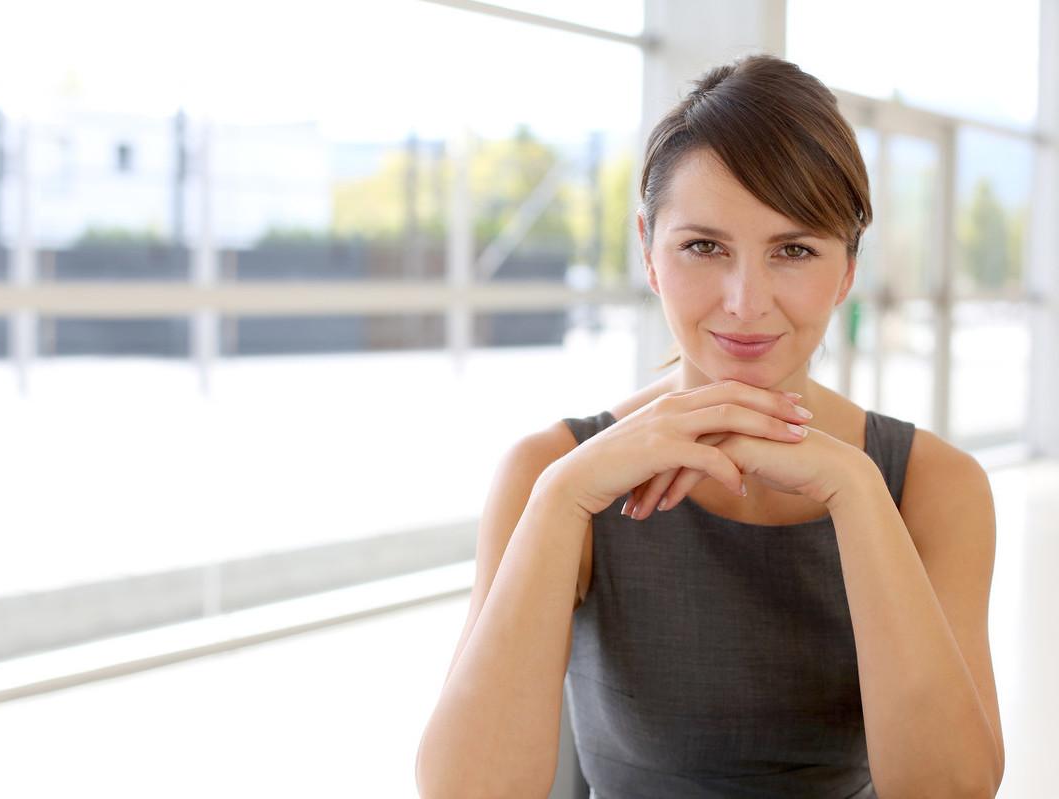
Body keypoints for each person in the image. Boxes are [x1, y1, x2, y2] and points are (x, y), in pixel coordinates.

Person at [416, 53, 1004, 799]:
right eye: (703, 246)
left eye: (793, 250)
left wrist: (857, 492)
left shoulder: (932, 483)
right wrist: (561, 498)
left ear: (847, 271)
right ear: (650, 255)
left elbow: (951, 790)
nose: (744, 301)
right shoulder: (550, 468)